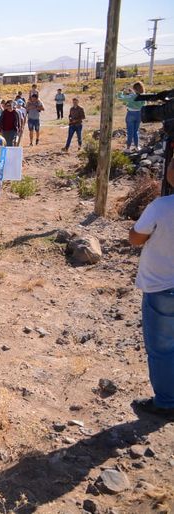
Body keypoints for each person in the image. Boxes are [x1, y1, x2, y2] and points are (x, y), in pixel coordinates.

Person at [128, 158, 174, 418]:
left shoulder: (161, 206)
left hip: (162, 286)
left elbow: (135, 238)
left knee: (162, 347)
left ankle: (167, 402)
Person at [118, 81, 145, 152]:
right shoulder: (143, 96)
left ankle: (128, 148)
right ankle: (137, 146)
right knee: (136, 131)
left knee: (130, 132)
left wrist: (121, 92)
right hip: (139, 114)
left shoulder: (131, 96)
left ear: (135, 89)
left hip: (131, 114)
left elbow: (120, 98)